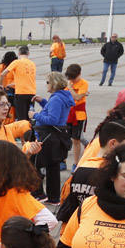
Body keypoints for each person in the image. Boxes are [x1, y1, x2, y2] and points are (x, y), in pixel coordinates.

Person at [31, 72, 75, 205]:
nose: (46, 85)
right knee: (52, 167)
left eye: (48, 82)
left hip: (49, 136)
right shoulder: (61, 96)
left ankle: (39, 193)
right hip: (56, 136)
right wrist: (43, 101)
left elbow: (52, 119)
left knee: (34, 163)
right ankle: (54, 197)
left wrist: (35, 115)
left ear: (54, 83)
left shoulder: (56, 98)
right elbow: (55, 111)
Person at [65, 64, 89, 169]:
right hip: (68, 115)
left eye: (74, 78)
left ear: (79, 74)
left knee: (76, 140)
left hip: (79, 115)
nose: (72, 80)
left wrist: (70, 88)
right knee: (65, 139)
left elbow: (77, 97)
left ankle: (75, 163)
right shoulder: (68, 82)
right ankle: (63, 160)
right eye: (71, 78)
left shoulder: (83, 83)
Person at [6, 46, 37, 122]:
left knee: (21, 118)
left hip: (21, 93)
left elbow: (3, 74)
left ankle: (23, 133)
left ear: (19, 53)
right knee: (29, 116)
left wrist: (0, 85)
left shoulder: (16, 62)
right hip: (32, 93)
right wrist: (13, 84)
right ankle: (30, 132)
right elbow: (27, 80)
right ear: (28, 53)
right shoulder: (32, 64)